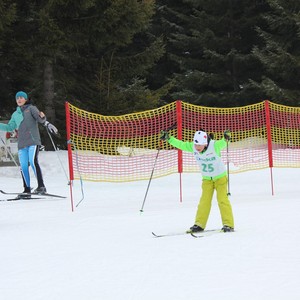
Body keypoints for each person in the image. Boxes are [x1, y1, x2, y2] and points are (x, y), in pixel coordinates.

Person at [160, 129, 234, 232]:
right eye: (195, 145)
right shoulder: (193, 147)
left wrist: (226, 138)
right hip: (207, 179)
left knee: (222, 200)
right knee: (204, 202)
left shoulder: (214, 146)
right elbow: (181, 144)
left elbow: (223, 142)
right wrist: (169, 139)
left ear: (205, 143)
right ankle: (199, 224)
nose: (197, 148)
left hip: (220, 178)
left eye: (199, 145)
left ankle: (228, 224)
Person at [0, 91, 58, 198]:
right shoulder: (15, 114)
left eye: (21, 97)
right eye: (17, 98)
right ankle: (27, 190)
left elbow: (40, 119)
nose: (19, 99)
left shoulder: (31, 108)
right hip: (22, 144)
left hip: (33, 141)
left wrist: (46, 121)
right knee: (23, 166)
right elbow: (9, 127)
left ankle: (41, 186)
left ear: (26, 99)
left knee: (32, 161)